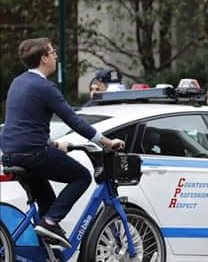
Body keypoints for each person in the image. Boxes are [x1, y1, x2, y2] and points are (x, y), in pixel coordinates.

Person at [0, 38, 125, 248]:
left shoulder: (17, 82)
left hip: (11, 154)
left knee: (48, 204)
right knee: (81, 176)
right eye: (53, 52)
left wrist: (55, 145)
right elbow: (74, 120)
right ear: (43, 58)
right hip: (34, 155)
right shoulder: (44, 87)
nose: (56, 55)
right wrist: (106, 142)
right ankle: (50, 223)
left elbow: (25, 123)